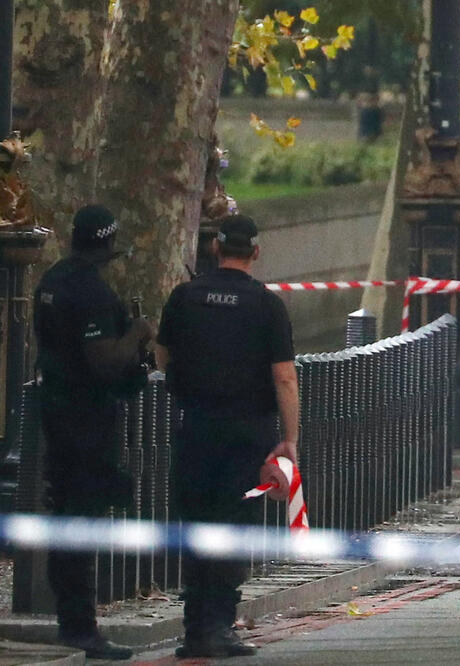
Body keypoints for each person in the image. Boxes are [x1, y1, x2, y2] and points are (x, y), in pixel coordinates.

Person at [155, 214, 298, 658]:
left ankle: (195, 627)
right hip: (247, 433)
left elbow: (162, 357)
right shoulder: (266, 305)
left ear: (215, 248)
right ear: (255, 251)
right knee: (233, 526)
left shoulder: (184, 297)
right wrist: (289, 439)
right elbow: (284, 378)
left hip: (195, 426)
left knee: (196, 524)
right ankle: (219, 625)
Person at [33, 204, 153, 660]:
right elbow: (104, 361)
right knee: (82, 519)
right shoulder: (92, 293)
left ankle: (73, 619)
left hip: (57, 414)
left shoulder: (52, 282)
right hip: (86, 420)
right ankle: (81, 627)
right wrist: (138, 333)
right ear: (107, 244)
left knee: (66, 514)